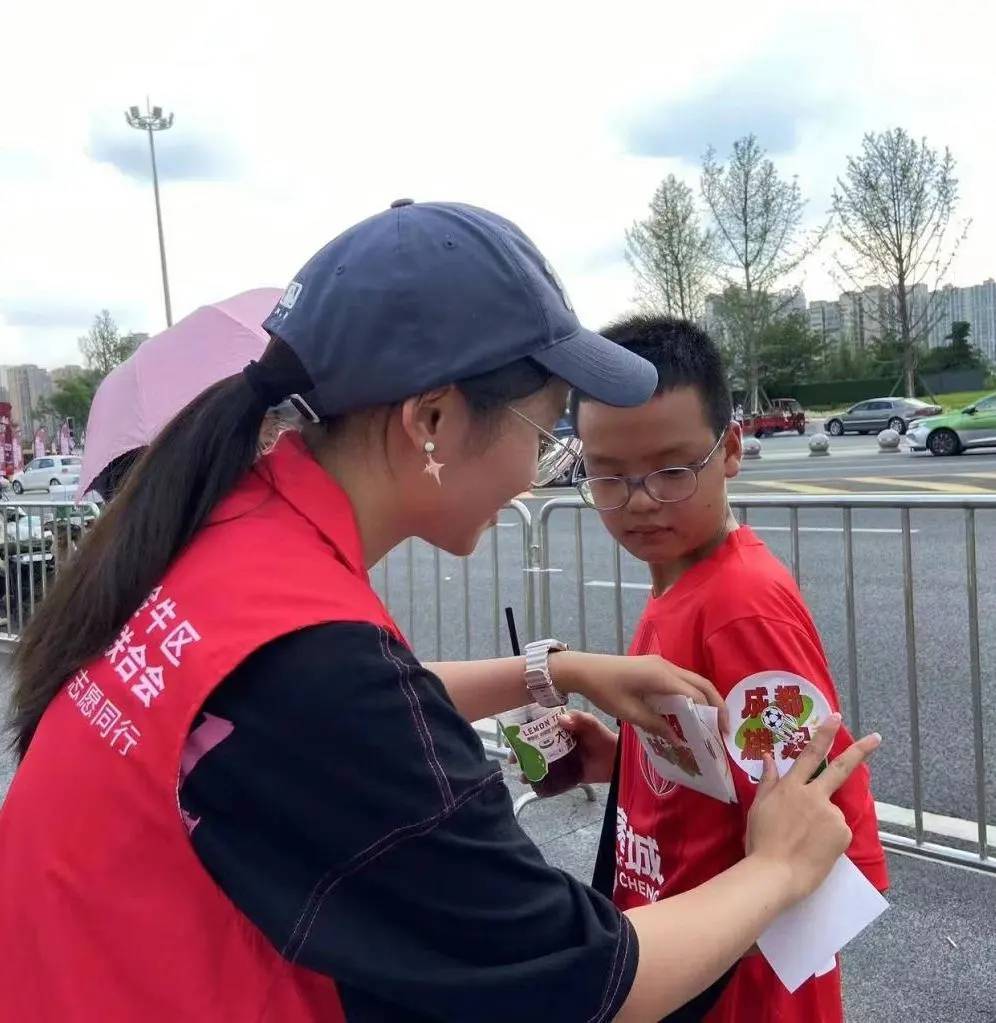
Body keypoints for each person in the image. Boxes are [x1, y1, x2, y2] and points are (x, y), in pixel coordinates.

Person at [0, 203, 878, 1023]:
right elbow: (577, 978)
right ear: (431, 420)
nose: (539, 477)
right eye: (542, 437)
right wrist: (776, 868)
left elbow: (358, 705)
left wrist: (557, 670)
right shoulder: (309, 657)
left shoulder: (226, 544)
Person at [569, 314, 888, 1023]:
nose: (641, 498)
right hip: (679, 955)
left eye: (673, 469)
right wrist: (616, 759)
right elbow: (725, 766)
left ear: (732, 448)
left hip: (733, 990)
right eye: (608, 476)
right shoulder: (678, 586)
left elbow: (822, 831)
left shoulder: (741, 605)